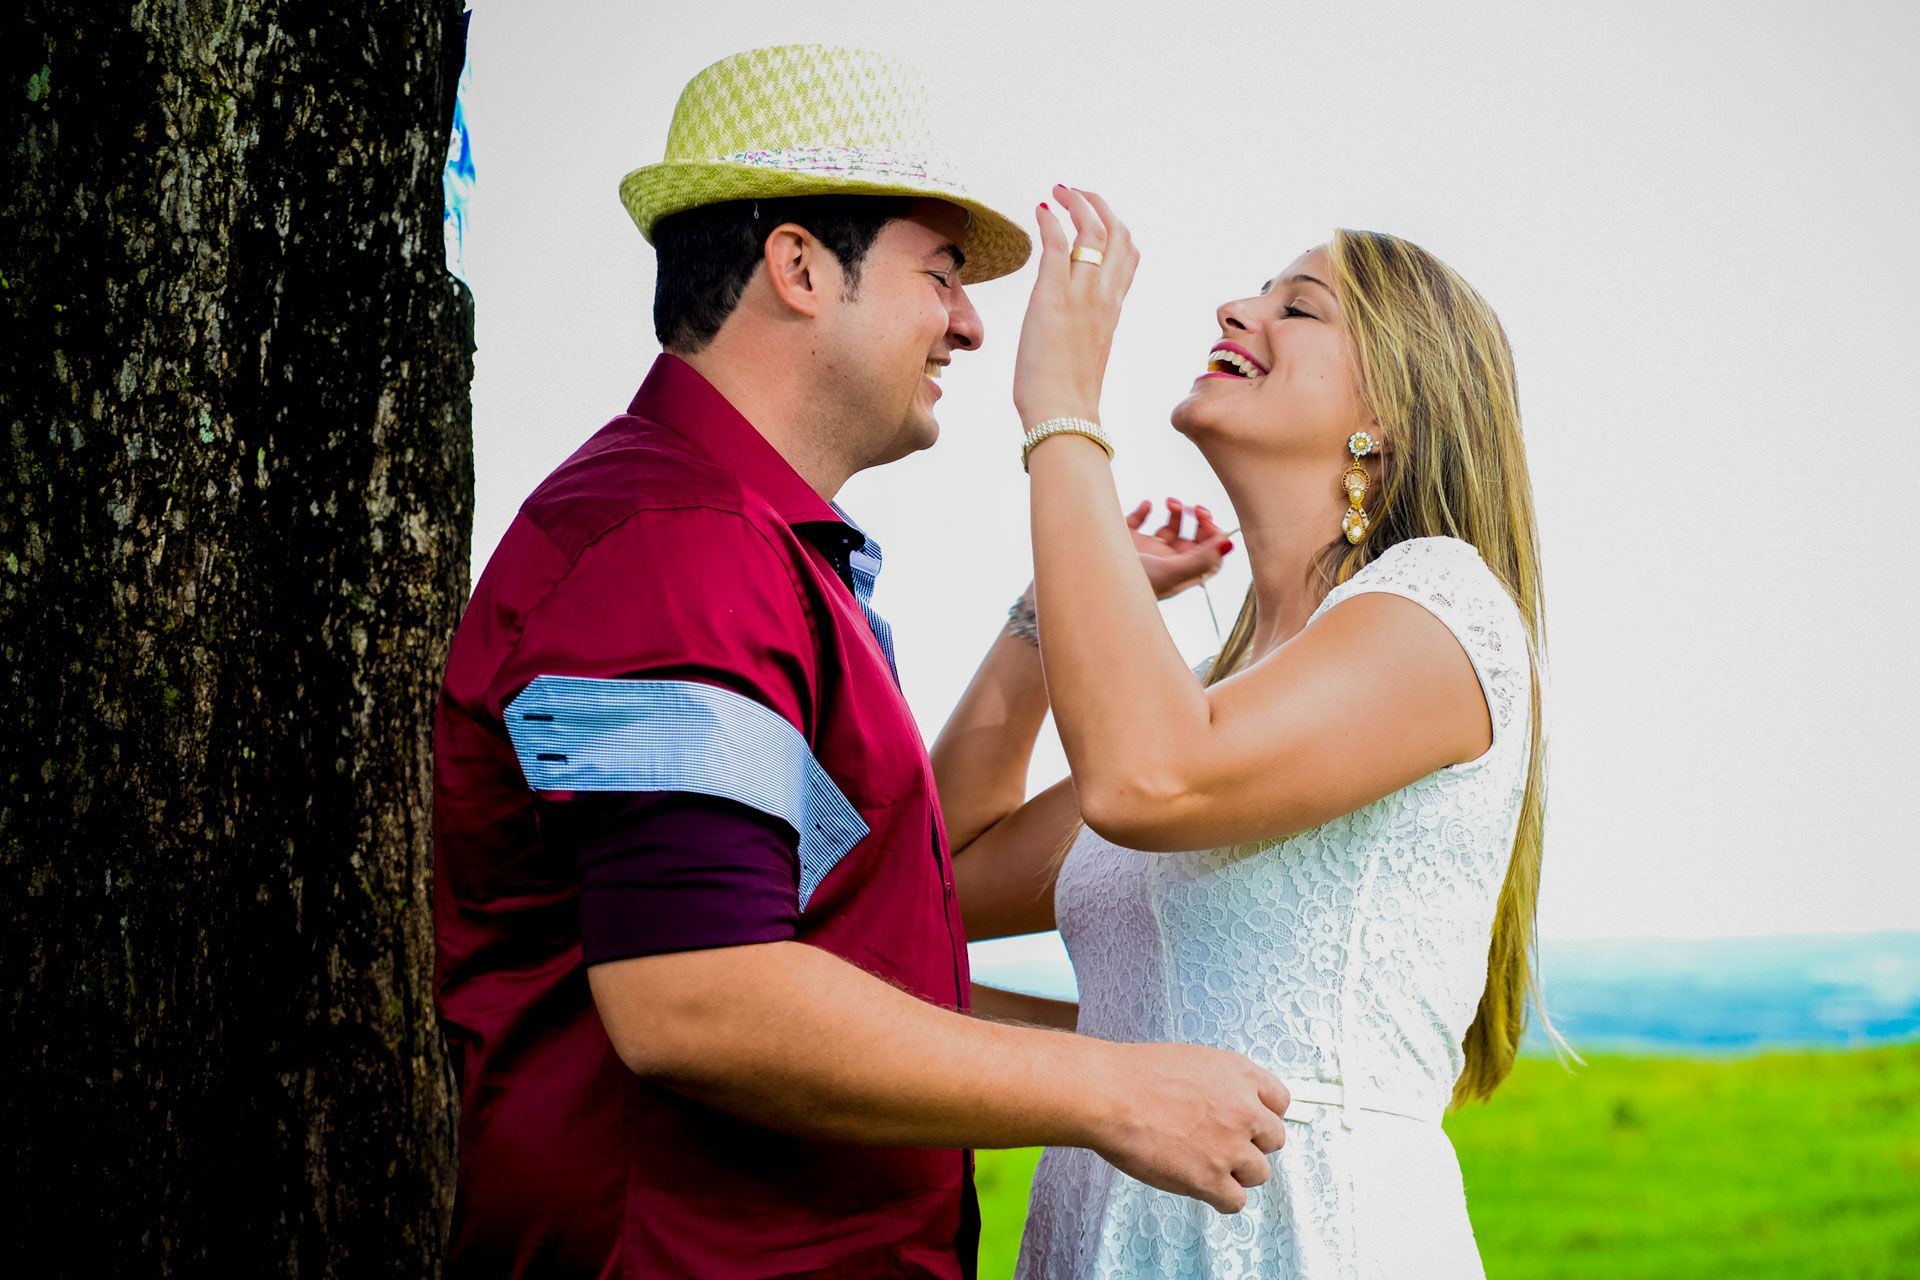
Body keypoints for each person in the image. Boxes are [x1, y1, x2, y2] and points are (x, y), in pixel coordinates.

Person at [431, 49, 1292, 1280]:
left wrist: (1141, 1052)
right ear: (796, 268)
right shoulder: (673, 552)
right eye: (939, 272)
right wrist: (1110, 1088)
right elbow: (699, 995)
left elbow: (840, 969)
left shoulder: (745, 550)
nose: (971, 319)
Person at [941, 188, 1550, 1277]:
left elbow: (1151, 782)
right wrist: (1052, 613)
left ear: (1396, 410)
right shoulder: (1214, 700)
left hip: (1305, 1237)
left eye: (1299, 307)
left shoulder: (1443, 612)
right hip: (1102, 1232)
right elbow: (942, 876)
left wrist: (1062, 407)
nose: (1236, 309)